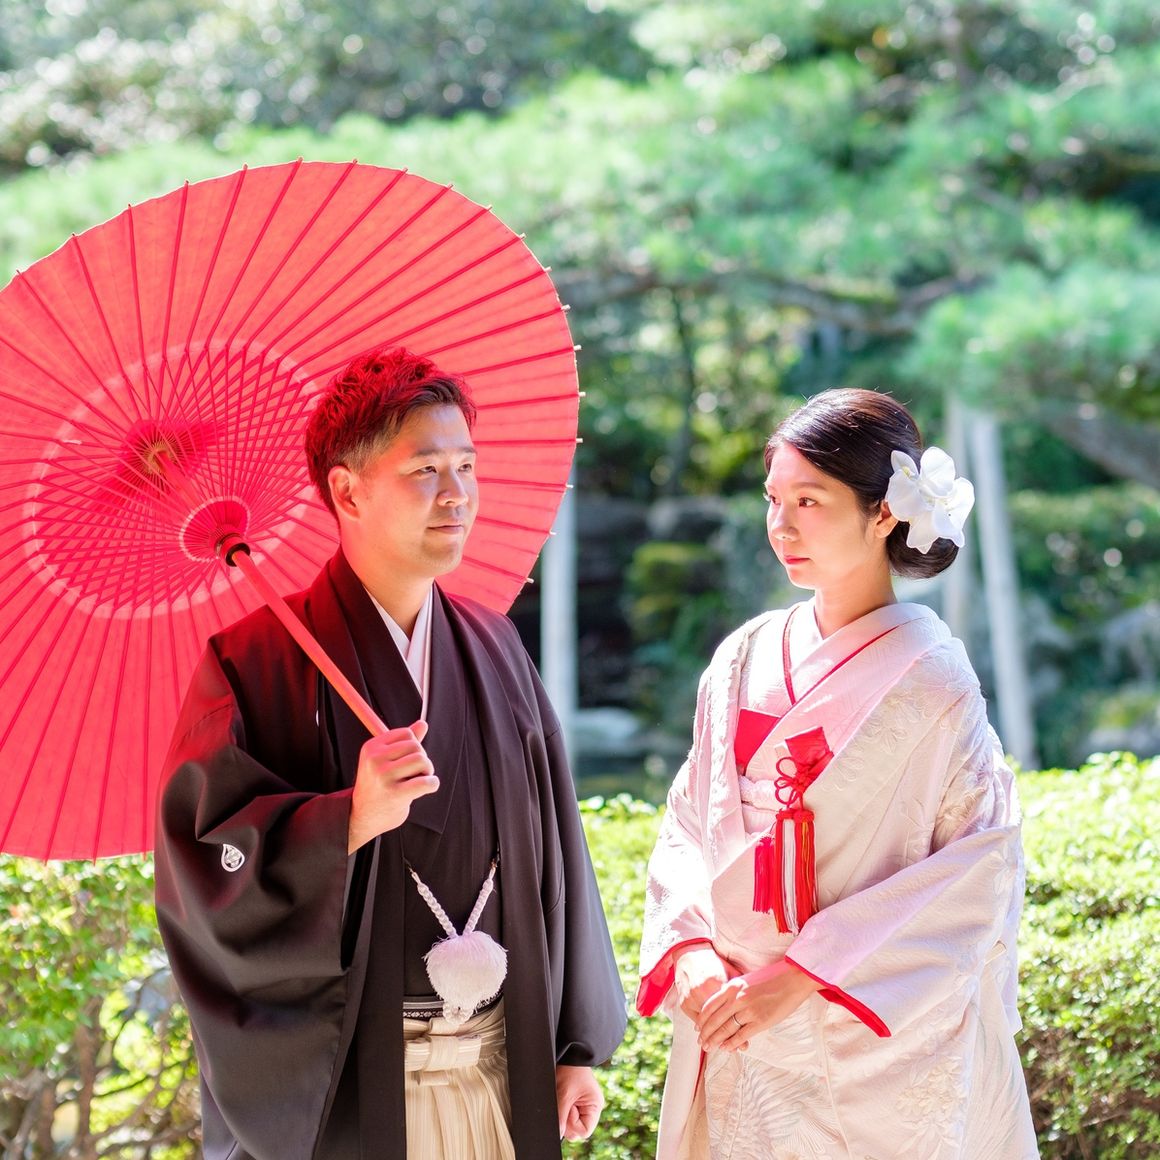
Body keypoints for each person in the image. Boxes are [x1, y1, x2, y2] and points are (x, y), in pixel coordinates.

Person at [154, 347, 626, 1160]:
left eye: (466, 466)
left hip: (497, 1066)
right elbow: (204, 872)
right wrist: (345, 819)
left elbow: (557, 849)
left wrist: (571, 1044)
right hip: (353, 1083)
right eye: (425, 470)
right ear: (348, 491)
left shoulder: (497, 649)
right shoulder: (251, 665)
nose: (457, 494)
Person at [637, 388, 1038, 1159]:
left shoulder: (934, 681)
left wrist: (803, 972)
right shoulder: (742, 657)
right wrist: (690, 952)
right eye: (774, 499)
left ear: (883, 513)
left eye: (809, 501)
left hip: (863, 1032)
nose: (782, 526)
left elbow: (978, 865)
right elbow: (689, 818)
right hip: (735, 1017)